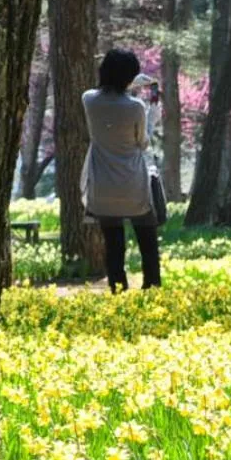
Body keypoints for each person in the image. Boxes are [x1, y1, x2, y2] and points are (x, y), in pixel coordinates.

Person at [83, 48, 162, 293]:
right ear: (129, 77)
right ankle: (152, 288)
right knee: (147, 240)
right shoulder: (136, 107)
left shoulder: (89, 99)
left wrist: (127, 84)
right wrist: (152, 114)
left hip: (102, 183)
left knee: (113, 243)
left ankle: (118, 289)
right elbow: (143, 142)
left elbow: (107, 94)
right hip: (132, 182)